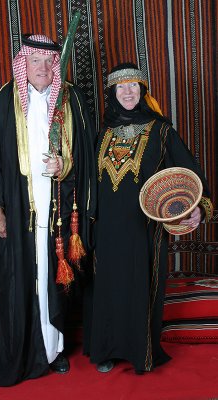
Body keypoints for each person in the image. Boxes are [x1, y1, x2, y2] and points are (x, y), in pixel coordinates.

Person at [0, 34, 97, 386]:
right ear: (23, 63)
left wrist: (66, 164)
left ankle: (54, 351)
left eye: (49, 62)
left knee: (53, 281)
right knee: (22, 280)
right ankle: (22, 348)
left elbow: (87, 154)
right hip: (18, 210)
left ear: (55, 65)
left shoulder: (70, 98)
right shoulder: (6, 99)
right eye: (35, 61)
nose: (42, 68)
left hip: (59, 210)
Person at [83, 62, 213, 374]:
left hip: (145, 228)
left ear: (143, 91)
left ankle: (140, 351)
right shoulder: (101, 135)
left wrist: (199, 206)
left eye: (134, 86)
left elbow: (190, 172)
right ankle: (106, 349)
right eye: (121, 87)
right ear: (112, 93)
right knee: (107, 285)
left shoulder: (162, 131)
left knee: (141, 284)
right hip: (106, 229)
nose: (128, 92)